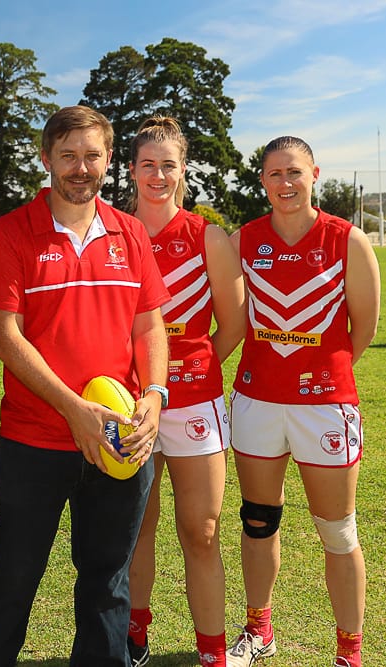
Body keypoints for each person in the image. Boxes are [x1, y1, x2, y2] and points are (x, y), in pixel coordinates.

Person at [0, 104, 170, 667]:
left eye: (92, 156)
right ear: (46, 159)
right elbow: (5, 338)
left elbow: (148, 323)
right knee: (14, 574)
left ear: (109, 159)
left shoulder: (130, 233)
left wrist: (154, 396)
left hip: (120, 438)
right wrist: (73, 408)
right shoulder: (11, 233)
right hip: (36, 440)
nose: (80, 168)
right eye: (68, 156)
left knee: (108, 579)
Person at [226, 137, 380, 667]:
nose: (285, 183)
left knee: (337, 531)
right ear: (262, 181)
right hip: (256, 402)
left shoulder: (347, 239)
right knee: (257, 520)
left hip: (325, 406)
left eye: (294, 172)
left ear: (314, 173)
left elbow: (364, 328)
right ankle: (259, 631)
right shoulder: (242, 239)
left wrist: (322, 375)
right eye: (274, 174)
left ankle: (349, 653)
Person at [124, 117, 246, 667]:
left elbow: (234, 324)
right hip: (131, 407)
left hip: (196, 404)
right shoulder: (112, 233)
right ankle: (135, 635)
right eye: (147, 164)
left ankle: (212, 651)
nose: (157, 174)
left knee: (201, 532)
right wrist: (147, 384)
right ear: (130, 170)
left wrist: (187, 372)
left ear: (182, 170)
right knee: (136, 528)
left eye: (167, 164)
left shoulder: (207, 236)